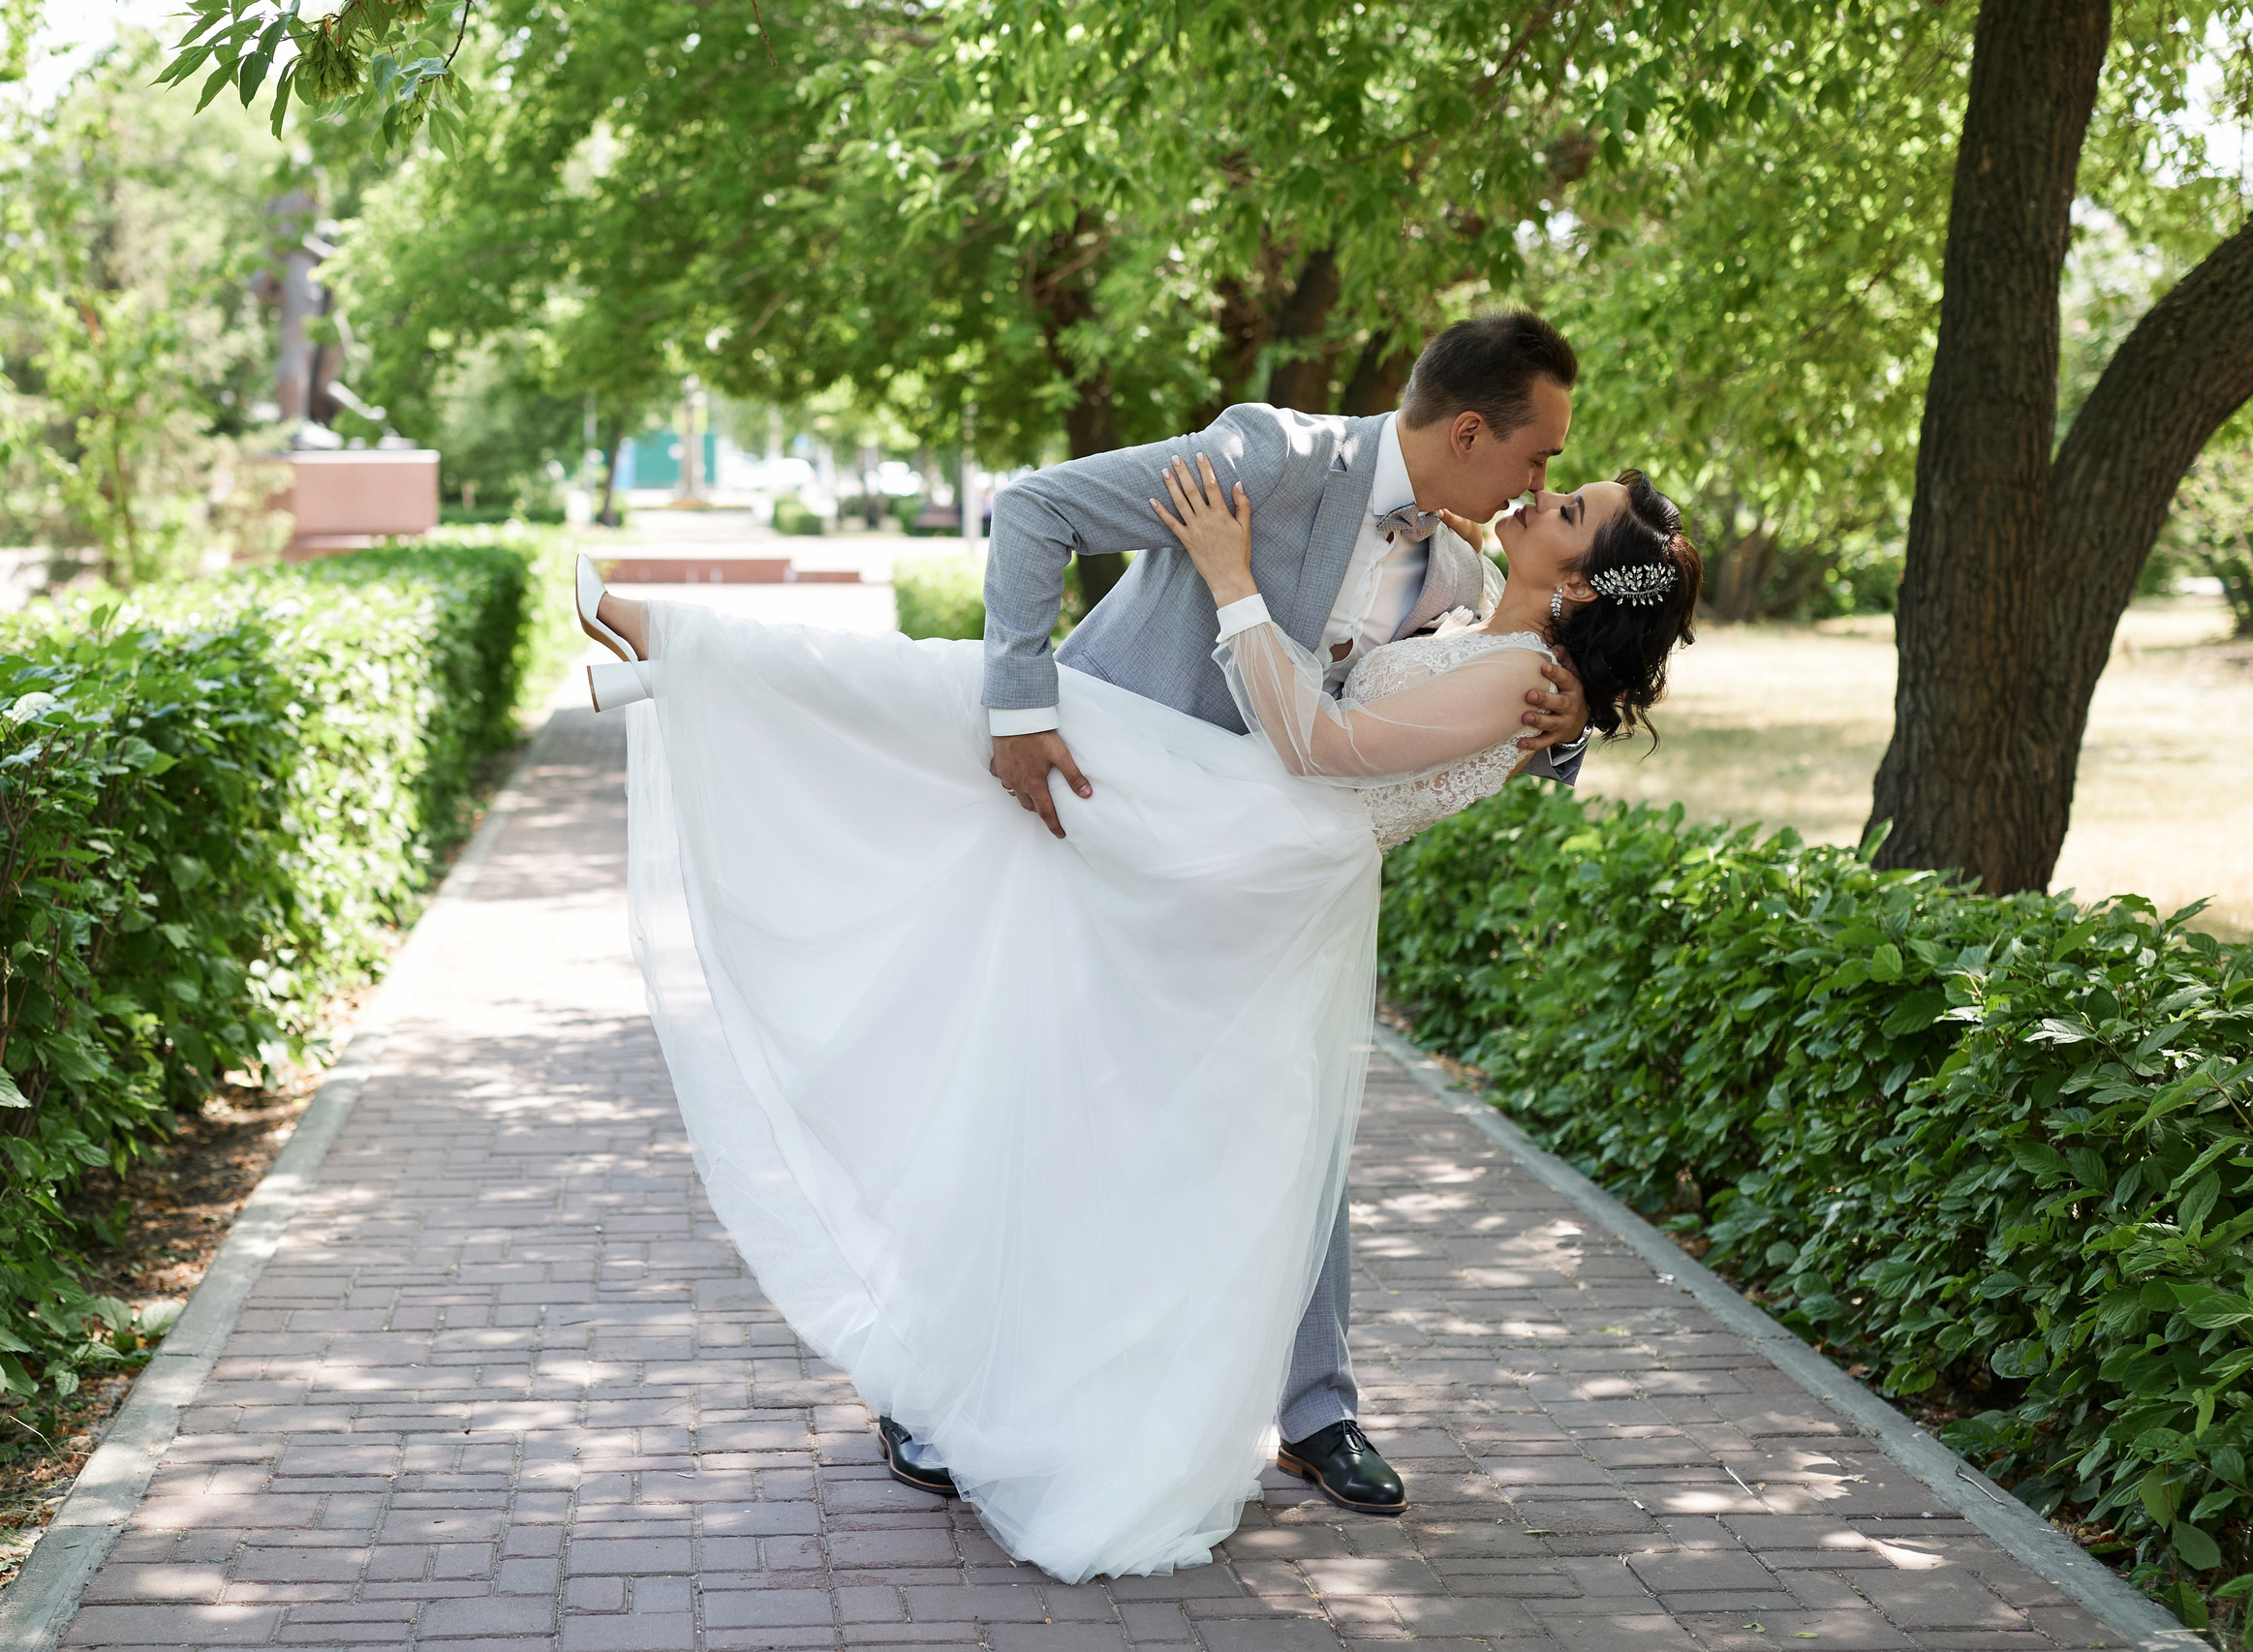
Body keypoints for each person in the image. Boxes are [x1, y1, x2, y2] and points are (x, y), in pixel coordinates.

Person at [573, 418, 1699, 1582]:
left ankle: (681, 650)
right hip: (1249, 826)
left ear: (1576, 580)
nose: (1540, 491)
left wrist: (1226, 576)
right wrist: (1567, 716)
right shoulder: (1474, 597)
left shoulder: (1526, 675)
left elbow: (1321, 738)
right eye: (1546, 472)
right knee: (960, 710)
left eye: (1567, 509)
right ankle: (676, 659)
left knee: (955, 705)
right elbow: (1462, 675)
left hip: (1246, 833)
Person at [962, 311, 1594, 1514]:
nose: (1540, 479)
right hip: (1112, 826)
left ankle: (1317, 1412)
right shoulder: (1270, 456)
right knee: (1062, 1106)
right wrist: (1018, 706)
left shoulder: (1455, 566)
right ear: (1470, 432)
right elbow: (1036, 506)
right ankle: (950, 1384)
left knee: (1295, 1123)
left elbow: (1456, 703)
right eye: (1538, 458)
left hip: (1273, 880)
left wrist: (1559, 736)